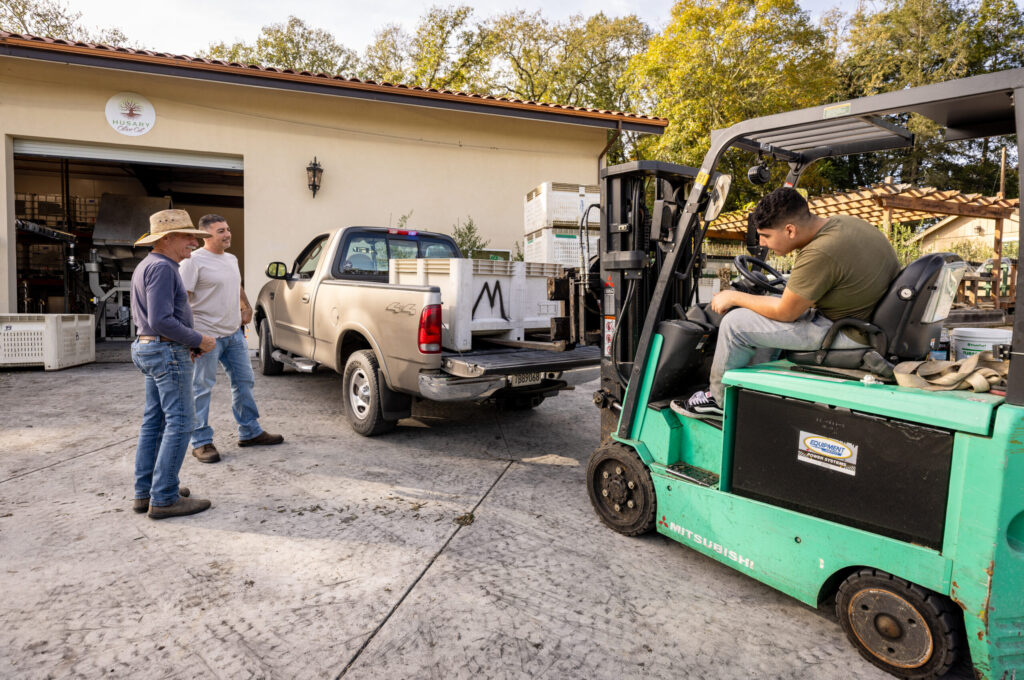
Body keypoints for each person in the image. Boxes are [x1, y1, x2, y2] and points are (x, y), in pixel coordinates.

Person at [673, 187, 900, 420]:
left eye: (766, 236)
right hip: (868, 322)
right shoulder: (845, 224)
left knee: (734, 324)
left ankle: (720, 401)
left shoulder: (819, 252)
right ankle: (755, 390)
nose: (763, 243)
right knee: (763, 306)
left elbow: (785, 312)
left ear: (790, 230)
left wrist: (733, 296)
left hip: (848, 332)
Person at [130, 209, 216, 519]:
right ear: (167, 239)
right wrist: (196, 339)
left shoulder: (148, 265)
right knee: (181, 421)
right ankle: (164, 497)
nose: (194, 241)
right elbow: (161, 319)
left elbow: (155, 321)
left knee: (155, 422)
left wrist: (185, 341)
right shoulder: (165, 269)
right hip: (165, 352)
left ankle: (146, 492)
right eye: (188, 236)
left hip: (151, 349)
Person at [178, 214, 284, 463]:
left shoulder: (231, 259)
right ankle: (201, 441)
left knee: (244, 382)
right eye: (220, 231)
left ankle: (250, 431)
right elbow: (182, 300)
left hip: (233, 334)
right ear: (206, 236)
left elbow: (236, 285)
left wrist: (245, 306)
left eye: (228, 229)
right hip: (206, 336)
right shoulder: (192, 262)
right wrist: (192, 338)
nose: (227, 234)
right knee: (201, 388)